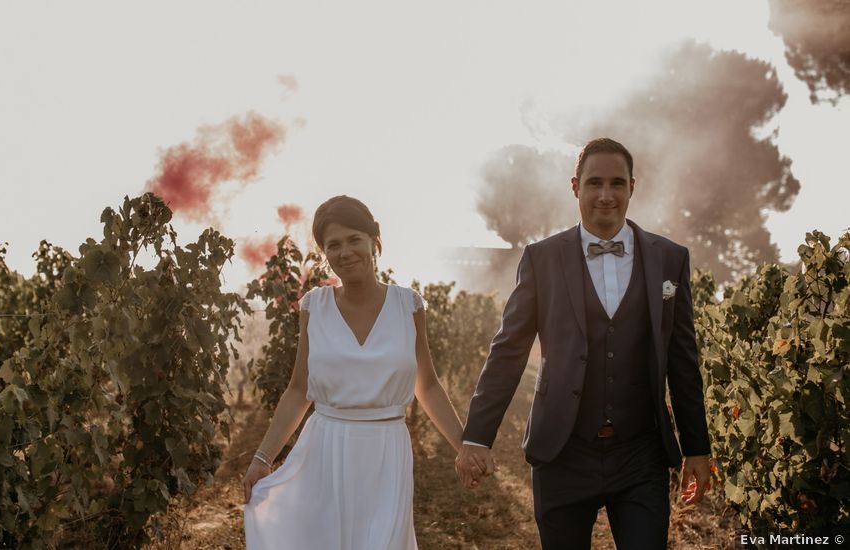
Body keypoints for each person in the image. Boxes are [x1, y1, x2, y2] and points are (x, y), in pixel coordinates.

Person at [456, 138, 712, 549]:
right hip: (562, 452)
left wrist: (696, 447)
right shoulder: (541, 259)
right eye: (595, 183)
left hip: (640, 455)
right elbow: (508, 350)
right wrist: (477, 437)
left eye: (617, 183)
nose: (606, 195)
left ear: (633, 187)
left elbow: (683, 359)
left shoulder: (669, 258)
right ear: (575, 186)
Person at [243, 195, 467, 550]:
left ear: (374, 242)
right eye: (333, 245)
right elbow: (298, 391)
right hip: (325, 451)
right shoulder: (313, 307)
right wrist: (262, 458)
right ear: (324, 253)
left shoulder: (408, 305)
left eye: (354, 240)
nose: (345, 252)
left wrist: (464, 446)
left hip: (387, 451)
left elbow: (429, 386)